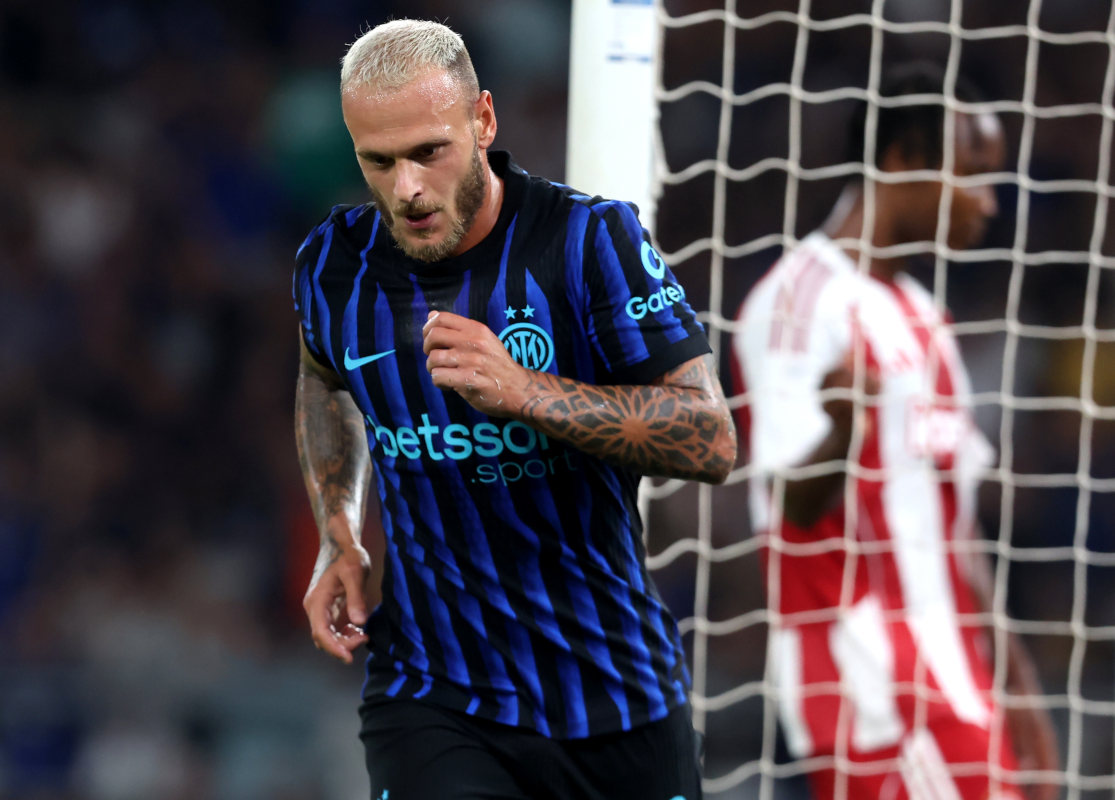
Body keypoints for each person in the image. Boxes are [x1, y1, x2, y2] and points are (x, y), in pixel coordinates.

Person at [292, 19, 736, 800]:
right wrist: (340, 530)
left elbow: (709, 438)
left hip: (614, 693)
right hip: (435, 694)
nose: (407, 188)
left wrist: (527, 392)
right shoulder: (333, 264)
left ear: (484, 120)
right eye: (379, 161)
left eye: (429, 151)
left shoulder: (591, 242)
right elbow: (324, 380)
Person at [732, 63, 1059, 800]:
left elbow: (958, 533)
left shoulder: (925, 319)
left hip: (959, 686)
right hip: (872, 689)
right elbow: (791, 504)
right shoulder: (796, 302)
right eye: (972, 174)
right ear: (902, 159)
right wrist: (844, 428)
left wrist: (1020, 697)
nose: (988, 202)